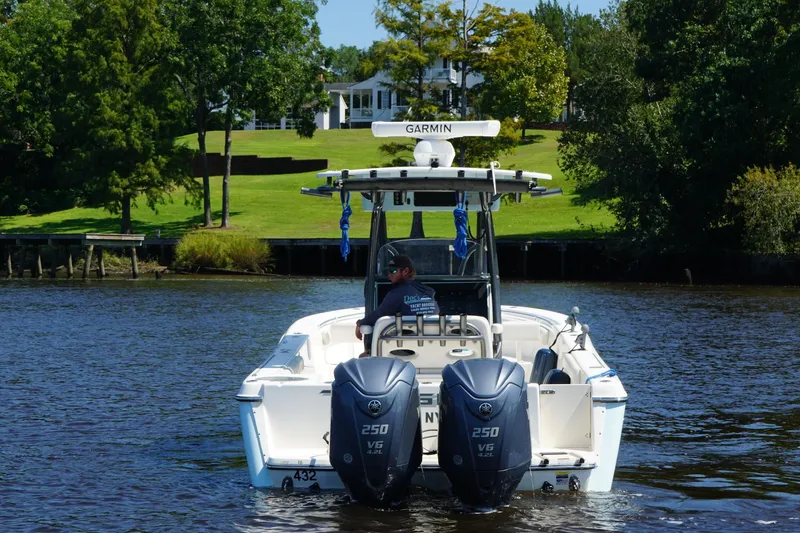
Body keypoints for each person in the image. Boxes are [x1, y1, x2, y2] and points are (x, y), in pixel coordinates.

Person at [355, 255, 439, 353]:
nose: (389, 275)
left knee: (363, 357)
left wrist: (360, 323)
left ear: (406, 271)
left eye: (393, 271)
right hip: (432, 348)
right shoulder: (428, 292)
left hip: (408, 351)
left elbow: (378, 315)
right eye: (388, 271)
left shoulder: (396, 294)